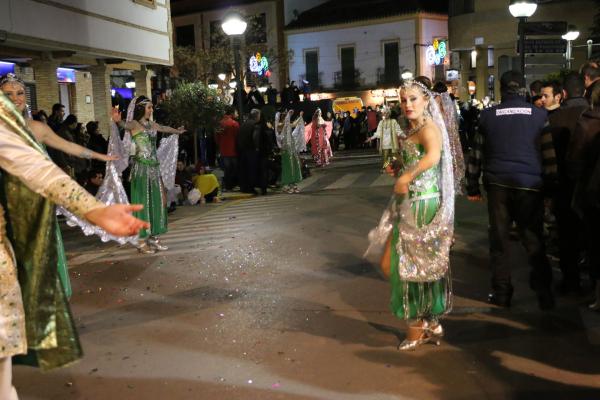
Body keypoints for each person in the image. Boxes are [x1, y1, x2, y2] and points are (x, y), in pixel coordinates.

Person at [0, 92, 148, 398]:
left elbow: (37, 165)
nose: (14, 98)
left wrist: (92, 208)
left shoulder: (23, 126)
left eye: (18, 93)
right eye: (9, 93)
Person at [369, 79, 455, 350]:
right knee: (396, 265)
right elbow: (417, 158)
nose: (407, 105)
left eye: (413, 99)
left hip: (422, 208)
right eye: (403, 100)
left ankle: (418, 329)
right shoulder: (412, 128)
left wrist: (408, 174)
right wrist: (399, 166)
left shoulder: (429, 128)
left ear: (426, 101)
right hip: (408, 205)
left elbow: (432, 156)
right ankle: (428, 318)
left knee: (405, 268)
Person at [467, 70, 557, 310]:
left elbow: (476, 153)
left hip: (497, 184)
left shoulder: (487, 116)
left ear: (501, 89)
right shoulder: (539, 116)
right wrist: (550, 187)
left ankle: (502, 293)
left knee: (500, 240)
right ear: (524, 89)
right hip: (530, 185)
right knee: (533, 238)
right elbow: (549, 155)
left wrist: (472, 185)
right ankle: (544, 293)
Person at [116, 96, 185, 254]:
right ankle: (142, 241)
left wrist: (178, 131)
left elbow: (164, 128)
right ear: (141, 108)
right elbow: (123, 125)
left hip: (154, 169)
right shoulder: (134, 124)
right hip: (141, 170)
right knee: (143, 203)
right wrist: (117, 121)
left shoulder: (151, 124)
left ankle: (153, 237)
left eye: (152, 107)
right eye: (149, 107)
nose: (151, 110)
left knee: (157, 202)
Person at [546, 72, 588, 294]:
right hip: (590, 184)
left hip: (563, 185)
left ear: (562, 94)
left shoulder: (555, 119)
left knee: (566, 235)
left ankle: (570, 280)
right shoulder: (591, 113)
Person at [568, 81, 600, 309]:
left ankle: (596, 292)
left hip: (593, 191)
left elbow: (575, 159)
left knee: (594, 242)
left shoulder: (588, 122)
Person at [275, 110, 304, 193]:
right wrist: (288, 117)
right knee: (287, 166)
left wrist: (300, 116)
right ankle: (286, 185)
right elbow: (282, 128)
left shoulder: (287, 125)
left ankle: (293, 183)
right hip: (285, 150)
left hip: (292, 148)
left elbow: (294, 124)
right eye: (285, 117)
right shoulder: (279, 125)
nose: (287, 119)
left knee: (294, 165)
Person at [237, 108, 262, 194]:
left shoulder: (244, 124)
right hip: (251, 150)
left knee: (244, 169)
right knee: (252, 170)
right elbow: (255, 138)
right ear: (257, 116)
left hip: (242, 150)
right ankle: (251, 188)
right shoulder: (255, 125)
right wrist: (257, 148)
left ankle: (244, 187)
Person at [217, 107, 240, 191]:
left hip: (223, 150)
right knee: (234, 168)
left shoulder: (220, 123)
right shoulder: (234, 124)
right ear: (232, 113)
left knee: (226, 169)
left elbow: (217, 137)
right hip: (233, 150)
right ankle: (233, 185)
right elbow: (237, 137)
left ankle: (227, 186)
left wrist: (220, 145)